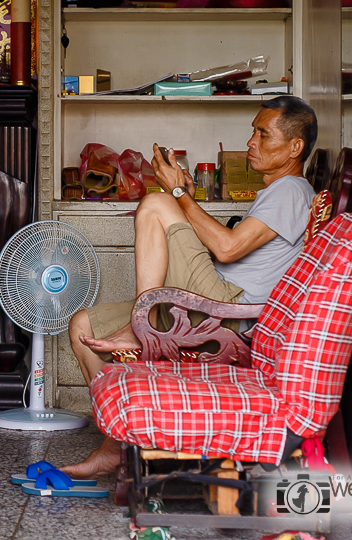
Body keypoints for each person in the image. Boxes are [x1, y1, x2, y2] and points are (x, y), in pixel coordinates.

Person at [60, 96, 318, 479]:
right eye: (253, 132)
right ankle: (113, 445)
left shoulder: (292, 191)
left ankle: (140, 322)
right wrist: (183, 195)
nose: (251, 142)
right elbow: (225, 245)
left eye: (263, 135)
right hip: (214, 298)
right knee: (82, 325)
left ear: (295, 147)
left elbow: (228, 248)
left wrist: (177, 195)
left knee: (155, 203)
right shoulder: (276, 193)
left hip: (230, 311)